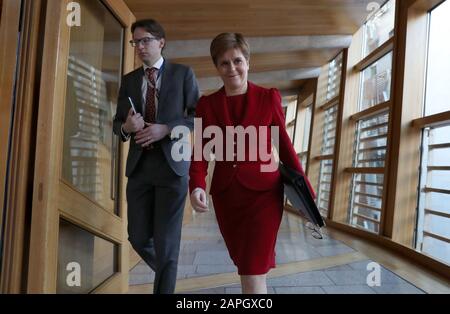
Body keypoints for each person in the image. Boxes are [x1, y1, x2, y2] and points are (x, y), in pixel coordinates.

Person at [189, 33, 316, 294]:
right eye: (224, 63)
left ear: (248, 62)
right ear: (216, 67)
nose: (232, 68)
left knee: (252, 268)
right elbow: (200, 151)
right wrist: (197, 185)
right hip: (227, 198)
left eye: (237, 60)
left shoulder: (268, 98)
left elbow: (285, 146)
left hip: (264, 196)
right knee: (246, 267)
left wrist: (306, 193)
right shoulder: (207, 104)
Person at [113, 19, 199, 294]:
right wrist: (127, 127)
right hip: (139, 169)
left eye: (145, 40)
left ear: (161, 42)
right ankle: (167, 269)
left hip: (172, 169)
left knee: (167, 244)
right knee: (137, 237)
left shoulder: (183, 74)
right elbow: (117, 124)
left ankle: (166, 276)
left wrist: (167, 128)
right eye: (135, 42)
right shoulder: (128, 81)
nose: (139, 46)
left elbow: (198, 117)